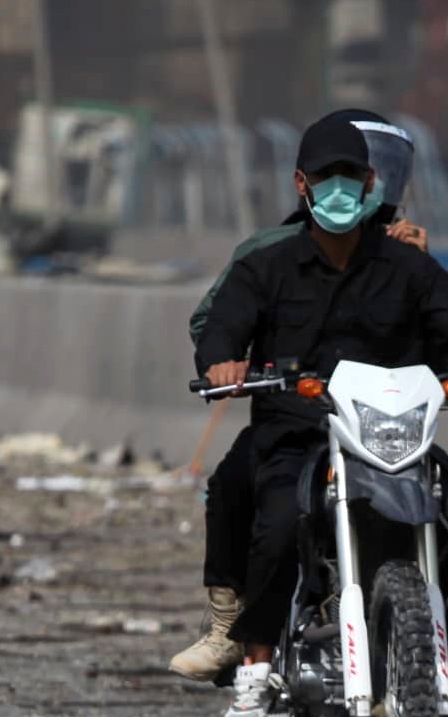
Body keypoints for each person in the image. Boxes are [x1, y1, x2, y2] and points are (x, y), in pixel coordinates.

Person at [193, 111, 448, 717]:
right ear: (303, 183)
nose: (341, 189)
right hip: (299, 434)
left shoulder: (411, 266)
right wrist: (222, 361)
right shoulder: (266, 264)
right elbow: (219, 330)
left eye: (351, 175)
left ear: (371, 180)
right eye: (328, 177)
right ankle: (255, 669)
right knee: (276, 520)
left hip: (390, 435)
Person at [168, 111, 427, 683]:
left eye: (366, 172)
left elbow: (442, 330)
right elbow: (212, 321)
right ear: (306, 182)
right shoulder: (273, 251)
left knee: (447, 501)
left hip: (376, 422)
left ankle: (443, 647)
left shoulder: (403, 256)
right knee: (235, 487)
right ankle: (227, 625)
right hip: (294, 415)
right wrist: (234, 361)